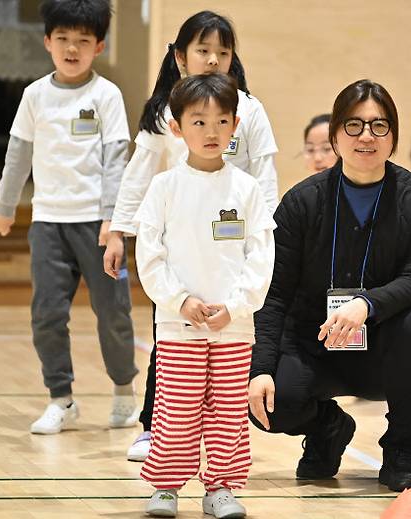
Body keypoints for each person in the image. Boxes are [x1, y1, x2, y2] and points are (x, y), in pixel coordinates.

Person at [249, 79, 411, 492]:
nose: (366, 137)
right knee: (271, 403)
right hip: (313, 344)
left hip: (383, 345)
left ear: (393, 135)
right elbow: (275, 292)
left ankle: (401, 452)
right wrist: (261, 368)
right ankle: (327, 429)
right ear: (336, 135)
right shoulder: (301, 202)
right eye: (354, 126)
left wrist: (366, 304)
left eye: (379, 126)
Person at [102, 10, 279, 462]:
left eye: (223, 52)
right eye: (203, 50)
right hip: (179, 244)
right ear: (181, 57)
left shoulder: (250, 108)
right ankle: (153, 429)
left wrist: (271, 233)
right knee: (171, 344)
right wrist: (120, 230)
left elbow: (265, 176)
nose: (214, 60)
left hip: (231, 249)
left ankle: (221, 452)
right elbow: (140, 174)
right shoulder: (165, 113)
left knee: (228, 352)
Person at [134, 73, 275, 518]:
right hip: (179, 325)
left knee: (229, 414)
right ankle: (166, 486)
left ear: (235, 126)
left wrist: (234, 306)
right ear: (176, 128)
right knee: (175, 409)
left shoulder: (247, 189)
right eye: (198, 122)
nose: (210, 132)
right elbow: (150, 254)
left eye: (220, 121)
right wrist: (180, 301)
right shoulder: (164, 188)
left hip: (234, 327)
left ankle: (222, 488)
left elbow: (261, 255)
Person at [0, 0, 138, 434]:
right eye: (62, 39)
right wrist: (5, 206)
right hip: (47, 222)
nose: (71, 48)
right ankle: (61, 398)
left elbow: (117, 159)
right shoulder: (34, 95)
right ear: (47, 42)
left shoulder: (106, 95)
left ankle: (123, 395)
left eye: (82, 40)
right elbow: (17, 155)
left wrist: (113, 218)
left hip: (97, 225)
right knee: (46, 313)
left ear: (98, 46)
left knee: (113, 311)